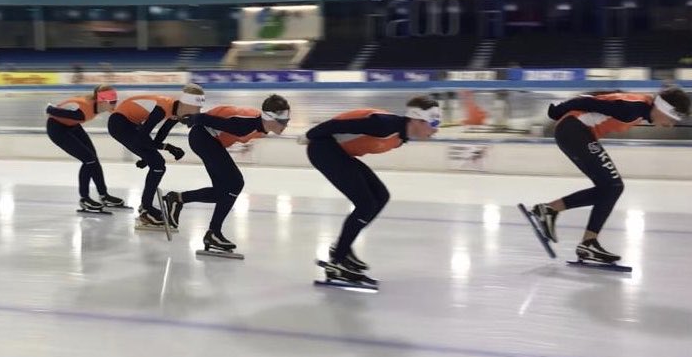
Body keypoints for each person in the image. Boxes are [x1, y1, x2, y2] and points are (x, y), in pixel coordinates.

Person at [530, 87, 691, 264]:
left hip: (578, 132)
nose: (671, 124)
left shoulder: (640, 109)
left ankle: (551, 211)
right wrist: (557, 110)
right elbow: (590, 100)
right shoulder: (632, 108)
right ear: (662, 108)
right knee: (613, 186)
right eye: (672, 118)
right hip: (574, 130)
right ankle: (584, 240)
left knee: (609, 188)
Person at [305, 95, 442, 285]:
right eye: (433, 122)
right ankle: (337, 262)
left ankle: (341, 250)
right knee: (366, 204)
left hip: (338, 152)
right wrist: (310, 134)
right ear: (417, 119)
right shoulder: (384, 124)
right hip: (323, 148)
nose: (436, 129)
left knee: (381, 196)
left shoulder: (400, 136)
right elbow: (339, 124)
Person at [164, 94, 290, 253]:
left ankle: (177, 199)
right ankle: (213, 233)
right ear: (271, 118)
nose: (286, 125)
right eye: (284, 121)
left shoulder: (258, 126)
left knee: (222, 192)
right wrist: (191, 118)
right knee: (236, 183)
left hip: (208, 139)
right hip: (202, 137)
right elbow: (207, 120)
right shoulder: (246, 123)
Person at [108, 83, 205, 227]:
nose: (198, 111)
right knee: (158, 164)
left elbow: (161, 134)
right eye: (197, 108)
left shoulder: (176, 111)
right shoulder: (162, 108)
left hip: (131, 123)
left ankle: (146, 207)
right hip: (119, 123)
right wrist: (167, 148)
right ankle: (146, 209)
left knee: (157, 163)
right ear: (186, 104)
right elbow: (142, 137)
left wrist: (149, 156)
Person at [46, 84, 126, 212]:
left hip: (72, 125)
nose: (114, 104)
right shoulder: (83, 111)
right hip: (57, 129)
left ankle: (104, 195)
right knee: (89, 160)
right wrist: (50, 107)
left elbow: (119, 112)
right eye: (112, 102)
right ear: (102, 101)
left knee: (94, 159)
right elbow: (52, 111)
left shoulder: (99, 105)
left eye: (115, 101)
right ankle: (84, 199)